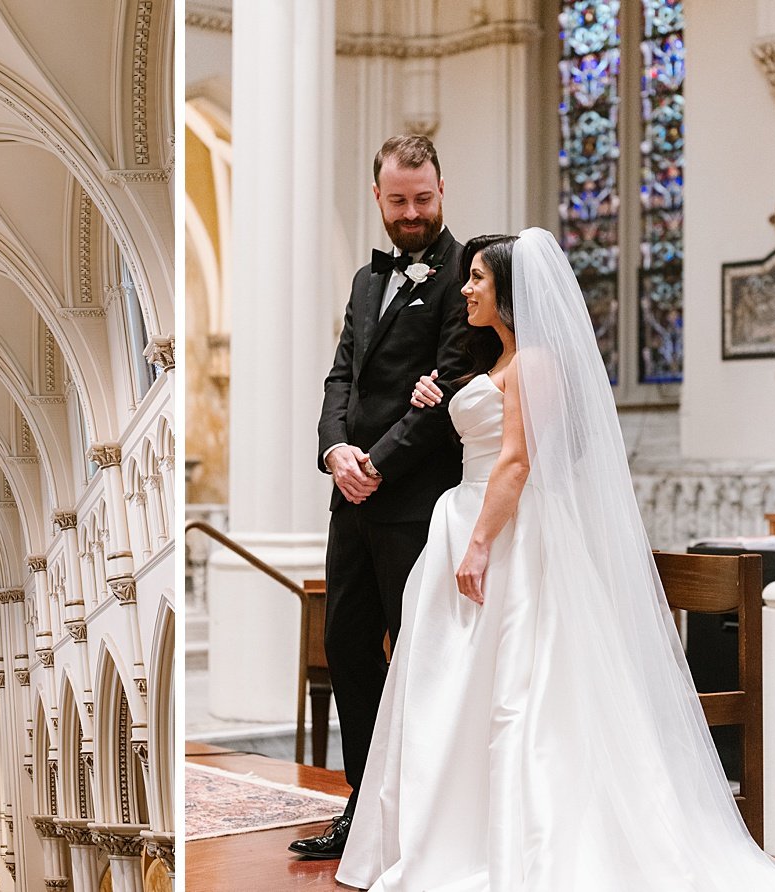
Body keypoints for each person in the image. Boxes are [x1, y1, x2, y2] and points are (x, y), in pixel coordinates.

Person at [337, 229, 775, 890]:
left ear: (510, 291)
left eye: (478, 279)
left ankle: (517, 841)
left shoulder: (537, 361)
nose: (466, 289)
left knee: (519, 690)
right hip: (466, 517)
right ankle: (451, 828)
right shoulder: (497, 360)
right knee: (453, 689)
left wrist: (481, 543)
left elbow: (517, 461)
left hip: (506, 531)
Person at [293, 134, 470, 859]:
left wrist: (378, 465)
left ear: (440, 189)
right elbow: (342, 377)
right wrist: (336, 452)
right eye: (397, 201)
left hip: (416, 502)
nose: (411, 214)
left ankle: (422, 816)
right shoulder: (367, 282)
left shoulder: (467, 269)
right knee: (348, 648)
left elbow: (453, 378)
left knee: (420, 658)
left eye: (422, 199)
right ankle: (363, 809)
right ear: (378, 197)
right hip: (351, 502)